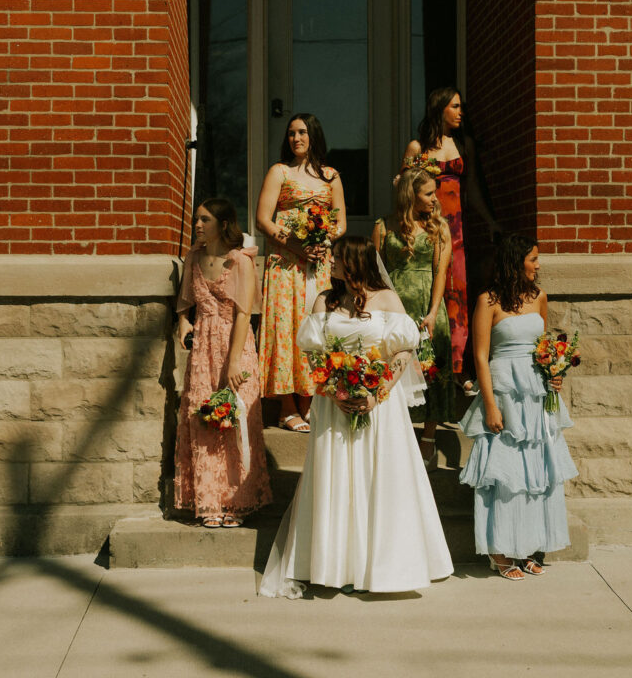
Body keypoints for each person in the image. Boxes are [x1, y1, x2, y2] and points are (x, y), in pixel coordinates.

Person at [259, 236, 453, 597]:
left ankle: (380, 566)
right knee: (337, 478)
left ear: (354, 262)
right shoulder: (325, 299)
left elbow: (404, 350)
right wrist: (334, 390)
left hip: (380, 405)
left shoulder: (387, 299)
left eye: (336, 257)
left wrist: (378, 392)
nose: (330, 262)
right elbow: (313, 354)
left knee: (378, 477)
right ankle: (337, 566)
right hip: (334, 405)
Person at [458, 233, 577, 579]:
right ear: (516, 262)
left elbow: (543, 346)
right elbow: (480, 357)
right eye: (533, 259)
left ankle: (528, 546)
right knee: (505, 472)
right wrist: (490, 405)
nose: (539, 265)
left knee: (536, 470)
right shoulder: (488, 301)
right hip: (504, 391)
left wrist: (555, 374)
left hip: (537, 393)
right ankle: (499, 551)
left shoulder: (540, 297)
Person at [175, 197, 272, 528]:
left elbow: (244, 314)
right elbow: (186, 299)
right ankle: (210, 501)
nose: (198, 225)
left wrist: (233, 363)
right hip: (203, 348)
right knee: (203, 419)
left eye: (205, 220)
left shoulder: (240, 261)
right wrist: (184, 322)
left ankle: (236, 501)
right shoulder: (194, 257)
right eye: (197, 219)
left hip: (236, 346)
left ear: (224, 224)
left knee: (236, 421)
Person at [401, 87, 499, 392]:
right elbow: (403, 192)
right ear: (439, 108)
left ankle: (458, 368)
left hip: (456, 229)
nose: (460, 112)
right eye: (455, 106)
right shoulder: (418, 147)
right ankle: (426, 367)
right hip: (427, 226)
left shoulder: (463, 144)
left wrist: (490, 221)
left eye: (460, 107)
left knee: (458, 296)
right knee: (428, 292)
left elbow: (473, 190)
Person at [256, 113, 347, 432]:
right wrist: (295, 245)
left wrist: (324, 240)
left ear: (314, 136)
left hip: (319, 263)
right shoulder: (279, 172)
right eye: (292, 133)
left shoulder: (331, 176)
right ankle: (286, 407)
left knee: (316, 327)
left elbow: (340, 222)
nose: (296, 138)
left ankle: (309, 402)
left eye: (303, 132)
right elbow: (263, 219)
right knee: (286, 327)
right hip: (285, 263)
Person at [372, 168, 455, 468]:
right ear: (411, 195)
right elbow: (374, 270)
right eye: (428, 193)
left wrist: (433, 312)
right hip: (393, 306)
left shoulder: (439, 227)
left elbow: (440, 273)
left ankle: (428, 438)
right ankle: (398, 438)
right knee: (395, 370)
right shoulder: (383, 227)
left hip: (426, 308)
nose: (435, 199)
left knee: (431, 370)